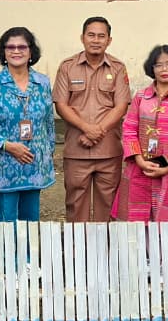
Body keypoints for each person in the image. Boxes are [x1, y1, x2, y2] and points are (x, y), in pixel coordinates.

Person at [53, 16, 132, 222]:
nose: (96, 40)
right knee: (75, 204)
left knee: (108, 205)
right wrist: (86, 128)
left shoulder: (118, 67)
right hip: (77, 150)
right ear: (82, 38)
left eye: (101, 36)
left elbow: (121, 105)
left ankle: (103, 252)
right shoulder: (67, 67)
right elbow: (61, 105)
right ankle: (77, 252)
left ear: (109, 40)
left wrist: (97, 132)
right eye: (91, 35)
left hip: (108, 151)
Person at [0, 27, 55, 223]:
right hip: (4, 165)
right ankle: (7, 255)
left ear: (30, 52)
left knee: (30, 221)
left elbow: (49, 122)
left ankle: (29, 255)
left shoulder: (42, 82)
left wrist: (47, 153)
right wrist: (8, 145)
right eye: (10, 47)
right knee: (7, 222)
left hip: (33, 165)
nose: (16, 51)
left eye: (21, 47)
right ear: (3, 52)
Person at [120, 44, 168, 222]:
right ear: (151, 69)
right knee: (137, 227)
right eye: (158, 65)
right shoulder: (141, 97)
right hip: (140, 170)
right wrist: (139, 159)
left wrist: (167, 166)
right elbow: (129, 129)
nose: (164, 69)